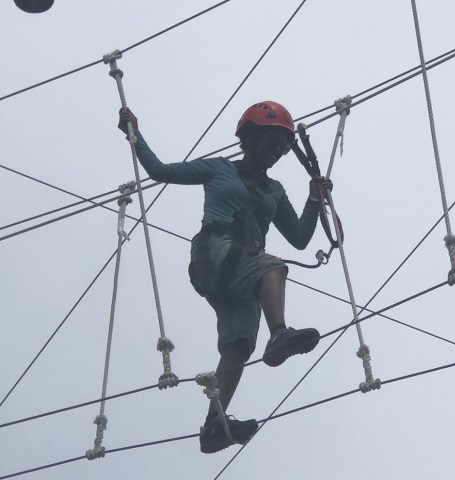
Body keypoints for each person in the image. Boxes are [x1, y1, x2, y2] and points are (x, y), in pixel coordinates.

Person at [118, 101, 331, 454]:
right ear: (250, 139)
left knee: (239, 343)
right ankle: (279, 334)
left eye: (282, 148)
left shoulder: (275, 190)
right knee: (273, 267)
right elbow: (158, 170)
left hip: (240, 271)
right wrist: (134, 134)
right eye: (271, 144)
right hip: (214, 252)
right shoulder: (218, 169)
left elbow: (300, 237)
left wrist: (314, 199)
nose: (276, 153)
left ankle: (214, 423)